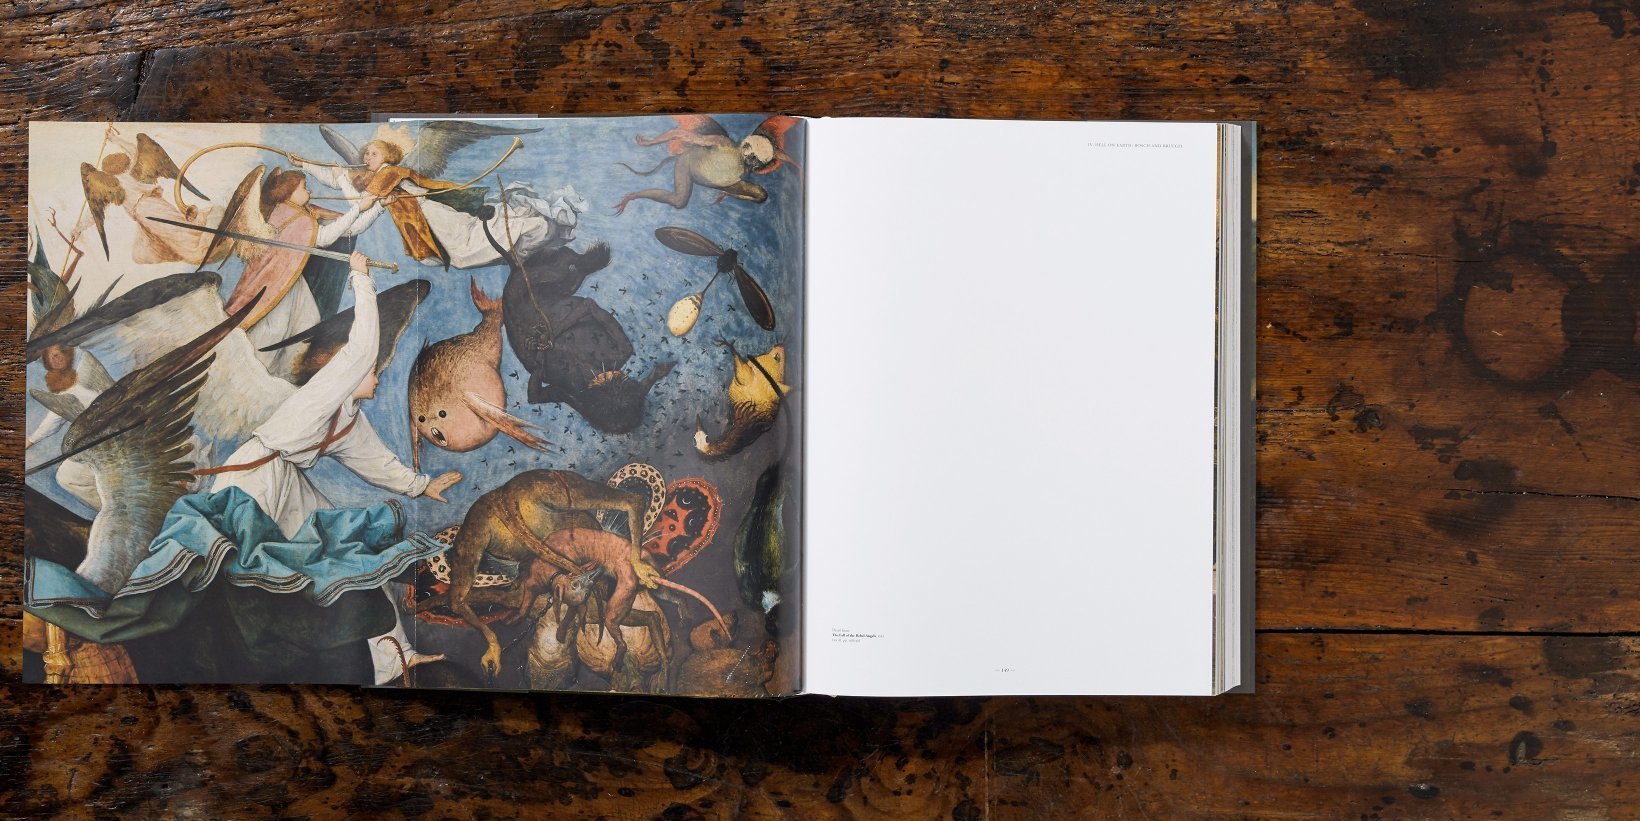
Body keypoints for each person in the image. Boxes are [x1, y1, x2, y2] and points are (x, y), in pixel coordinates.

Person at [209, 250, 461, 683]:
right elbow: (361, 349)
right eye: (372, 368)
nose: (378, 374)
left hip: (286, 478)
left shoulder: (349, 420)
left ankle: (394, 657)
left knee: (354, 553)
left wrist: (422, 486)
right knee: (245, 574)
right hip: (251, 477)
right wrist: (361, 277)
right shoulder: (327, 391)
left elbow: (378, 464)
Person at [321, 138, 586, 269]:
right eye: (366, 154)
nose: (366, 158)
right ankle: (525, 236)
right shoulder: (388, 174)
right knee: (465, 241)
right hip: (429, 214)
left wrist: (340, 177)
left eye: (373, 153)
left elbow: (361, 203)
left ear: (387, 156)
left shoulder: (387, 172)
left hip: (430, 215)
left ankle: (529, 230)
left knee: (465, 244)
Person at [223, 166, 384, 376]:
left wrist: (378, 207)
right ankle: (252, 375)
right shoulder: (288, 214)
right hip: (273, 284)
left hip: (291, 280)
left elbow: (352, 228)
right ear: (289, 191)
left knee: (308, 324)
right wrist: (357, 208)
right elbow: (324, 238)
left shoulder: (304, 212)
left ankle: (284, 376)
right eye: (304, 187)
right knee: (272, 330)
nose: (309, 191)